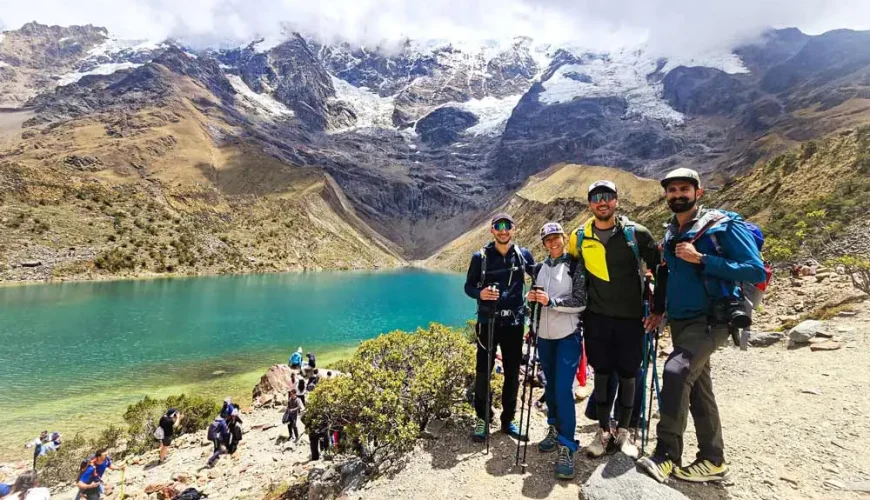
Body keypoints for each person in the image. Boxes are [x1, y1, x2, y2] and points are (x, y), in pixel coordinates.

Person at [637, 168, 765, 483]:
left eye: (684, 189)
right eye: (672, 190)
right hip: (681, 321)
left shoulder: (722, 226)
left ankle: (666, 454)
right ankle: (713, 459)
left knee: (676, 371)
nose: (678, 195)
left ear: (699, 192)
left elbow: (755, 270)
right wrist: (659, 311)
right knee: (698, 389)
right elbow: (668, 275)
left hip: (712, 318)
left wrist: (703, 259)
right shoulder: (671, 231)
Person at [567, 180, 663, 459]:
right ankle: (603, 431)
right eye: (596, 197)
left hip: (632, 319)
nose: (602, 202)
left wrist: (658, 309)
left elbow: (660, 268)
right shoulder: (580, 236)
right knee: (603, 374)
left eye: (607, 196)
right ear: (589, 204)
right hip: (596, 319)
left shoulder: (637, 234)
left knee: (629, 373)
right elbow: (571, 269)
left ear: (616, 201)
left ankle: (624, 432)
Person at [463, 213, 536, 442]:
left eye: (508, 226)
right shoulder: (480, 257)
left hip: (514, 323)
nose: (503, 230)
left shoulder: (523, 256)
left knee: (513, 373)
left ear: (514, 229)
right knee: (484, 371)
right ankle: (483, 418)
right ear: (492, 230)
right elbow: (468, 286)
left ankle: (508, 420)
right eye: (498, 226)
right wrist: (480, 293)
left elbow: (540, 276)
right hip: (488, 322)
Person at [527, 222, 586, 480]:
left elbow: (581, 301)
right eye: (547, 240)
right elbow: (535, 302)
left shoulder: (574, 265)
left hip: (567, 336)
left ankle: (567, 444)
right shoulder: (539, 269)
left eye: (556, 238)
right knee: (550, 386)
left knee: (564, 389)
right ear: (543, 243)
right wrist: (530, 301)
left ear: (564, 238)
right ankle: (553, 427)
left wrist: (553, 302)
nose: (553, 243)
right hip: (544, 336)